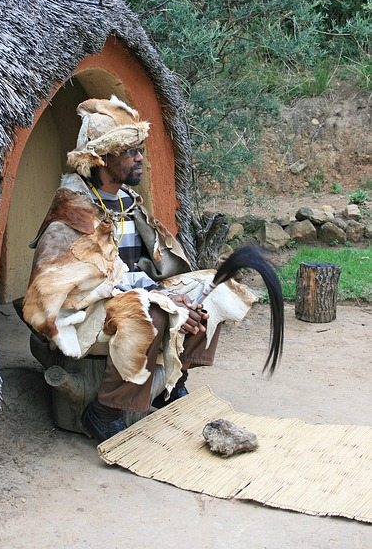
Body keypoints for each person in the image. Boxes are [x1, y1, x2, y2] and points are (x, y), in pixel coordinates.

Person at [23, 96, 258, 442]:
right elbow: (76, 287)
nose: (140, 158)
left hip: (135, 294)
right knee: (152, 312)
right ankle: (104, 412)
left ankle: (171, 382)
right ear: (102, 158)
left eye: (140, 150)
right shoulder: (73, 212)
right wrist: (161, 299)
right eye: (129, 152)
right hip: (87, 311)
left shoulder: (127, 203)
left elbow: (144, 268)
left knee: (212, 289)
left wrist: (171, 295)